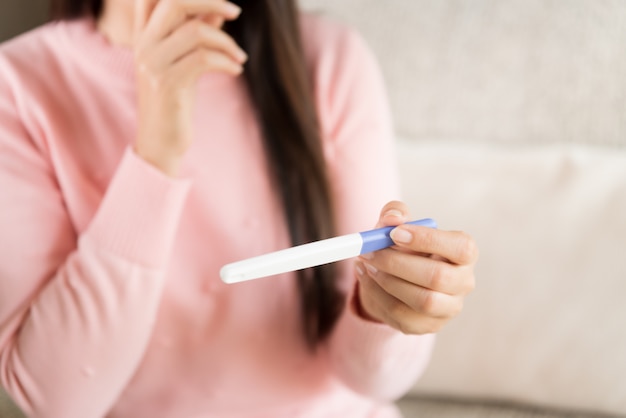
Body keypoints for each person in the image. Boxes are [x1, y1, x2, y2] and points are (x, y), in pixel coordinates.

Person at [0, 0, 478, 416]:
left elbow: (374, 382)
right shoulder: (16, 87)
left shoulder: (329, 58)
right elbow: (58, 401)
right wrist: (156, 149)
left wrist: (384, 308)